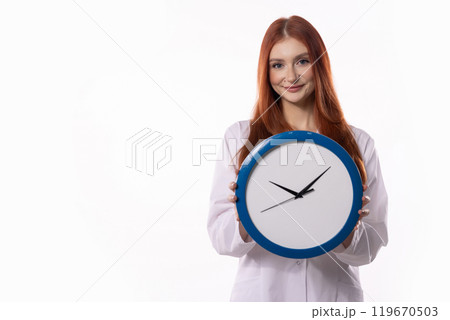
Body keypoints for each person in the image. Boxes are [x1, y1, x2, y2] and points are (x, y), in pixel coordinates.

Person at [207, 15, 388, 302]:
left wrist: (346, 230)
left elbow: (373, 244)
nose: (291, 76)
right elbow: (220, 238)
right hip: (262, 299)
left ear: (319, 64)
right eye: (278, 65)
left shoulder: (358, 143)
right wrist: (245, 217)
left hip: (331, 300)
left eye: (302, 61)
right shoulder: (240, 137)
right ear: (266, 72)